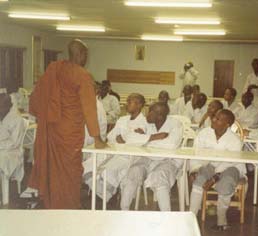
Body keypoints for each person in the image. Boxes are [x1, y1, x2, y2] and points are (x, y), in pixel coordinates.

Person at [27, 39, 107, 209]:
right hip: (69, 135)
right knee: (69, 175)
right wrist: (97, 139)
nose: (86, 58)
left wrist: (41, 116)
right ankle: (68, 209)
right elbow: (89, 110)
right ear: (81, 54)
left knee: (53, 173)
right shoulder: (82, 75)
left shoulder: (53, 69)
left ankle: (52, 206)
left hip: (52, 131)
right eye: (86, 54)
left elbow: (35, 97)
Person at [83, 93, 148, 202]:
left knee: (108, 170)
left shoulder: (144, 122)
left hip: (129, 155)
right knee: (89, 164)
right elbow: (111, 136)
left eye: (129, 102)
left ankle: (104, 197)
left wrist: (125, 139)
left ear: (139, 105)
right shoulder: (122, 119)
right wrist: (123, 138)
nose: (126, 105)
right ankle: (101, 194)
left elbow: (138, 142)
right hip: (114, 150)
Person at [120, 102, 183, 211]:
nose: (147, 115)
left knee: (159, 177)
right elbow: (129, 138)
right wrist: (153, 137)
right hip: (146, 159)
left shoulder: (176, 124)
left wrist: (143, 140)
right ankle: (123, 211)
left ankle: (166, 216)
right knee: (133, 172)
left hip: (167, 161)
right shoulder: (146, 122)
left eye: (150, 112)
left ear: (160, 116)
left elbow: (171, 145)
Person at [189, 109, 246, 231]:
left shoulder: (234, 140)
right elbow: (195, 153)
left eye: (218, 119)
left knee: (226, 184)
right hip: (210, 165)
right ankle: (190, 218)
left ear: (227, 125)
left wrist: (214, 178)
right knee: (198, 180)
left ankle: (221, 221)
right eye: (214, 116)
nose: (213, 119)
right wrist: (194, 169)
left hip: (232, 167)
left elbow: (229, 163)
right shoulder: (204, 133)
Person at [0, 93, 26, 206]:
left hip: (13, 152)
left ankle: (5, 199)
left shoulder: (17, 119)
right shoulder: (3, 115)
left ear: (8, 106)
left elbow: (14, 142)